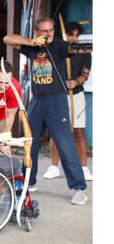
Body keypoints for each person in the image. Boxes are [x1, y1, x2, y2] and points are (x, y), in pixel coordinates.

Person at [3, 17, 92, 205]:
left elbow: (80, 48)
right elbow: (7, 39)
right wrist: (31, 42)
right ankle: (29, 181)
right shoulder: (32, 47)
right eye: (44, 31)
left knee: (65, 144)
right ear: (36, 33)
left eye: (51, 30)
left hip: (56, 101)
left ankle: (79, 188)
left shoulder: (59, 46)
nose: (48, 34)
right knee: (30, 143)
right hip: (36, 102)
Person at [44, 21, 92, 181]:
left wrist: (76, 82)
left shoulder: (84, 52)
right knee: (57, 132)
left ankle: (84, 168)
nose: (74, 38)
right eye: (71, 34)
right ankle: (53, 167)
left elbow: (85, 74)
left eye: (76, 35)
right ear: (65, 35)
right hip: (58, 95)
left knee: (78, 131)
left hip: (76, 94)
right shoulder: (57, 50)